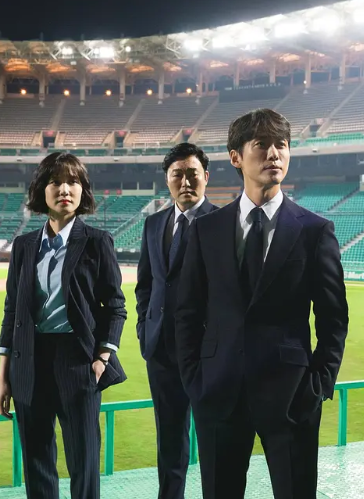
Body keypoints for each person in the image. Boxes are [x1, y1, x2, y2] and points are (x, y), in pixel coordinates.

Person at [175, 109, 349, 499]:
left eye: (281, 145)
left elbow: (334, 318)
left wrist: (317, 385)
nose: (274, 154)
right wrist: (195, 380)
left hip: (292, 397)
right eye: (262, 145)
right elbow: (187, 312)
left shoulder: (315, 231)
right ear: (235, 157)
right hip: (217, 394)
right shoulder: (206, 230)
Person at [0, 151, 127, 499]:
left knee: (84, 460)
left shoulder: (97, 241)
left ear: (83, 190)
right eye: (55, 182)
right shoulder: (24, 246)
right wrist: (4, 378)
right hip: (29, 363)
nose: (64, 189)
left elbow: (116, 306)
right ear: (42, 190)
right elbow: (12, 311)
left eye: (73, 181)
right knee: (36, 461)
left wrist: (101, 358)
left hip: (78, 362)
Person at [135, 142, 217, 499]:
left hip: (206, 353)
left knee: (215, 439)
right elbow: (146, 285)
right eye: (177, 175)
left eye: (192, 174)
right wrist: (144, 329)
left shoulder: (223, 222)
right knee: (169, 440)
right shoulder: (154, 223)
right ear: (167, 180)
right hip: (161, 352)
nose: (185, 182)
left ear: (206, 177)